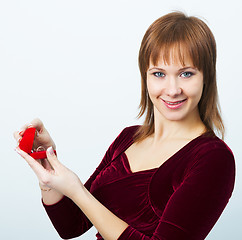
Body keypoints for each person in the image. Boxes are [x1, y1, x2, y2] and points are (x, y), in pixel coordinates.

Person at [14, 12, 235, 240]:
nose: (172, 89)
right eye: (159, 73)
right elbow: (72, 225)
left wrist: (78, 192)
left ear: (206, 75)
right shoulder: (128, 138)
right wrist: (48, 170)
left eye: (186, 74)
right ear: (145, 77)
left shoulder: (214, 158)